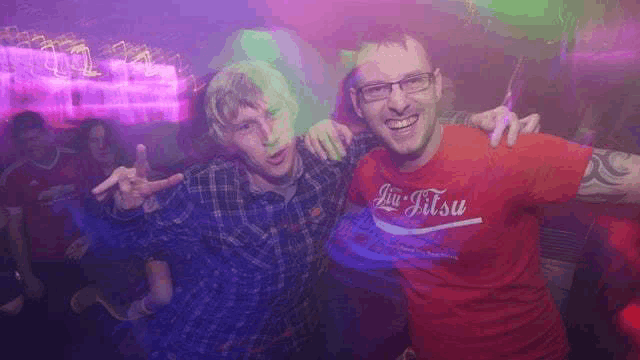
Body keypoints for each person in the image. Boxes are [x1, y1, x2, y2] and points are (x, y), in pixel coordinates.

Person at [90, 60, 537, 359]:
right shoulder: (207, 187)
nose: (268, 134)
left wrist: (476, 124)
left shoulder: (328, 157)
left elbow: (400, 130)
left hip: (292, 342)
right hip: (210, 345)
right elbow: (136, 245)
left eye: (276, 112)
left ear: (296, 108)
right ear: (226, 139)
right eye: (247, 126)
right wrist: (126, 209)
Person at [334, 30, 640, 360]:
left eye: (413, 81)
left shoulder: (503, 151)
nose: (398, 102)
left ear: (437, 86)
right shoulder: (366, 172)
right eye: (377, 89)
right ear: (357, 102)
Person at [0, 110, 92, 357]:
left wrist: (92, 238)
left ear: (49, 134)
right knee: (57, 332)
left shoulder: (78, 160)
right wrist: (27, 275)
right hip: (45, 262)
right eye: (25, 141)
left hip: (87, 254)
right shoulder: (13, 176)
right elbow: (14, 230)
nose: (32, 145)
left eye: (36, 137)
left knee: (93, 325)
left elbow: (97, 206)